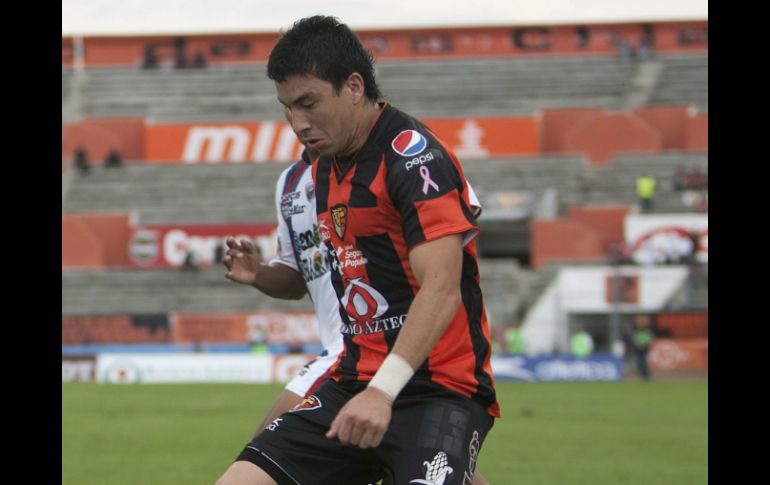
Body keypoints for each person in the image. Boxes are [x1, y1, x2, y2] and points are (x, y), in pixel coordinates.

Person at [217, 16, 499, 485]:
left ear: (353, 86)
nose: (298, 124)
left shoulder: (414, 158)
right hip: (353, 380)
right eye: (287, 108)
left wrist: (382, 392)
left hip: (439, 390)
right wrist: (264, 274)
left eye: (308, 103)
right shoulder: (324, 169)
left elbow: (442, 288)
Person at [631, 315, 654, 380]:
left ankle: (647, 375)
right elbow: (634, 340)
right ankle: (643, 375)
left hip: (645, 350)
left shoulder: (647, 331)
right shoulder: (636, 331)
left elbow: (649, 340)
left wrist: (645, 345)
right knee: (639, 363)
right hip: (638, 350)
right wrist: (637, 344)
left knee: (644, 363)